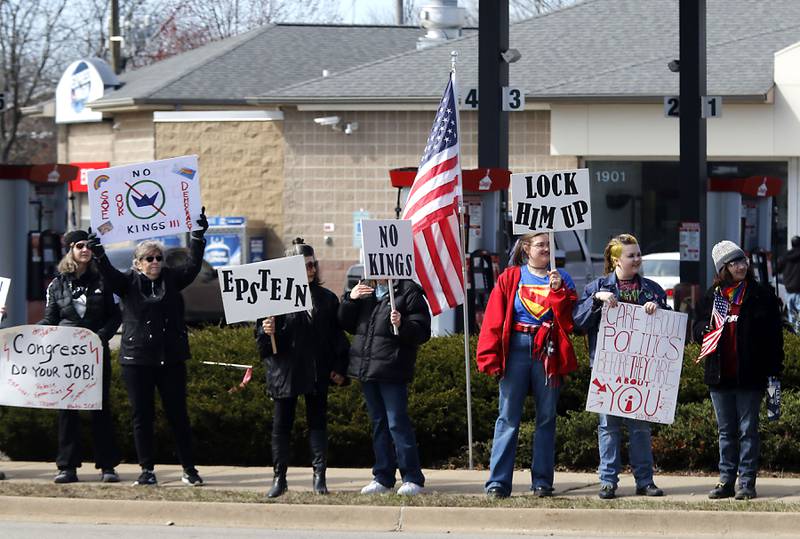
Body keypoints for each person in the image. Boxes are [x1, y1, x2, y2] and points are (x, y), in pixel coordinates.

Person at [88, 208, 209, 487]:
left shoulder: (172, 279)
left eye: (158, 258)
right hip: (136, 360)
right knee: (142, 417)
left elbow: (192, 265)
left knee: (178, 415)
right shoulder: (127, 282)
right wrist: (98, 251)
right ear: (138, 263)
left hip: (171, 359)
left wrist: (198, 235)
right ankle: (147, 470)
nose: (154, 262)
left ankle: (189, 469)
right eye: (148, 259)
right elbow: (106, 272)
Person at [476, 232, 578, 499]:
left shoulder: (562, 278)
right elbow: (494, 318)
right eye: (540, 244)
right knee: (508, 416)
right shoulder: (511, 277)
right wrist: (489, 356)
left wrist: (559, 293)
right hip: (517, 349)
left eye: (549, 244)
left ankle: (542, 482)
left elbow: (569, 323)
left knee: (546, 417)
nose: (546, 249)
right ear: (526, 248)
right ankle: (498, 483)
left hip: (548, 352)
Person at [573, 233, 667, 500]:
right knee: (608, 427)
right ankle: (607, 481)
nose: (637, 259)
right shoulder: (597, 287)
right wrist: (596, 301)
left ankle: (645, 481)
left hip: (640, 370)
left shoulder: (652, 288)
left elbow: (668, 329)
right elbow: (578, 323)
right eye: (631, 255)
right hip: (607, 368)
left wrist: (658, 308)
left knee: (640, 428)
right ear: (616, 260)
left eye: (638, 254)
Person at [256, 238, 350, 498]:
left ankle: (319, 476)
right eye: (304, 265)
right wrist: (267, 332)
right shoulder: (274, 298)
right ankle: (280, 478)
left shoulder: (327, 299)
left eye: (312, 265)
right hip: (285, 372)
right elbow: (264, 346)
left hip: (317, 371)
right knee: (281, 425)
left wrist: (340, 368)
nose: (310, 270)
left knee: (318, 423)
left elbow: (338, 339)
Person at [694, 240, 784, 500]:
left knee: (747, 430)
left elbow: (774, 338)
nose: (741, 266)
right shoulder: (713, 297)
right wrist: (704, 330)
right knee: (726, 431)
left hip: (750, 376)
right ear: (723, 267)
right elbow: (697, 328)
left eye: (743, 261)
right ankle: (725, 481)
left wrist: (774, 373)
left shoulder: (761, 295)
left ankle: (746, 482)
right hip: (720, 376)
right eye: (734, 263)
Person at [40, 230, 122, 484]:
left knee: (100, 409)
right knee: (67, 412)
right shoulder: (57, 284)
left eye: (88, 246)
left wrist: (101, 336)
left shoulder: (103, 281)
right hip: (66, 359)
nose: (85, 250)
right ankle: (67, 466)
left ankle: (107, 466)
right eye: (79, 246)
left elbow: (115, 315)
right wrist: (34, 334)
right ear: (70, 250)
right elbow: (51, 318)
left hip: (94, 354)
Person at [338, 277, 431, 496]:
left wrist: (402, 325)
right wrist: (350, 300)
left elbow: (421, 331)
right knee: (379, 423)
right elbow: (346, 323)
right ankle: (383, 476)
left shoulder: (407, 290)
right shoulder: (365, 289)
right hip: (368, 369)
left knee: (397, 422)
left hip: (393, 367)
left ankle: (412, 477)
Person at [777, 236, 800, 332]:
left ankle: (795, 337)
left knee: (792, 316)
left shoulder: (785, 257)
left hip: (789, 290)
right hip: (799, 290)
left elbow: (777, 270)